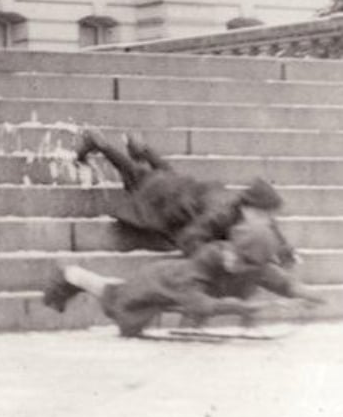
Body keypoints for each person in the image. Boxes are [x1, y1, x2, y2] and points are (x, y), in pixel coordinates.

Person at [42, 221, 324, 338]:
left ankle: (190, 329)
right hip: (162, 282)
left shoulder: (254, 266)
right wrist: (243, 307)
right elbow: (199, 303)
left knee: (121, 293)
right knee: (115, 298)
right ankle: (70, 273)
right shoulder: (208, 258)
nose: (232, 262)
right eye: (232, 254)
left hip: (184, 291)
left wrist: (307, 294)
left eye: (242, 261)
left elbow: (282, 283)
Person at [74, 130, 296, 265]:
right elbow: (190, 238)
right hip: (168, 197)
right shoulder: (220, 215)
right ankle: (100, 143)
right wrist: (218, 257)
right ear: (248, 208)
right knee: (139, 177)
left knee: (166, 176)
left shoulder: (252, 213)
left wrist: (285, 251)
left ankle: (142, 150)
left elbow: (270, 226)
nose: (266, 220)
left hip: (187, 191)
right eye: (262, 214)